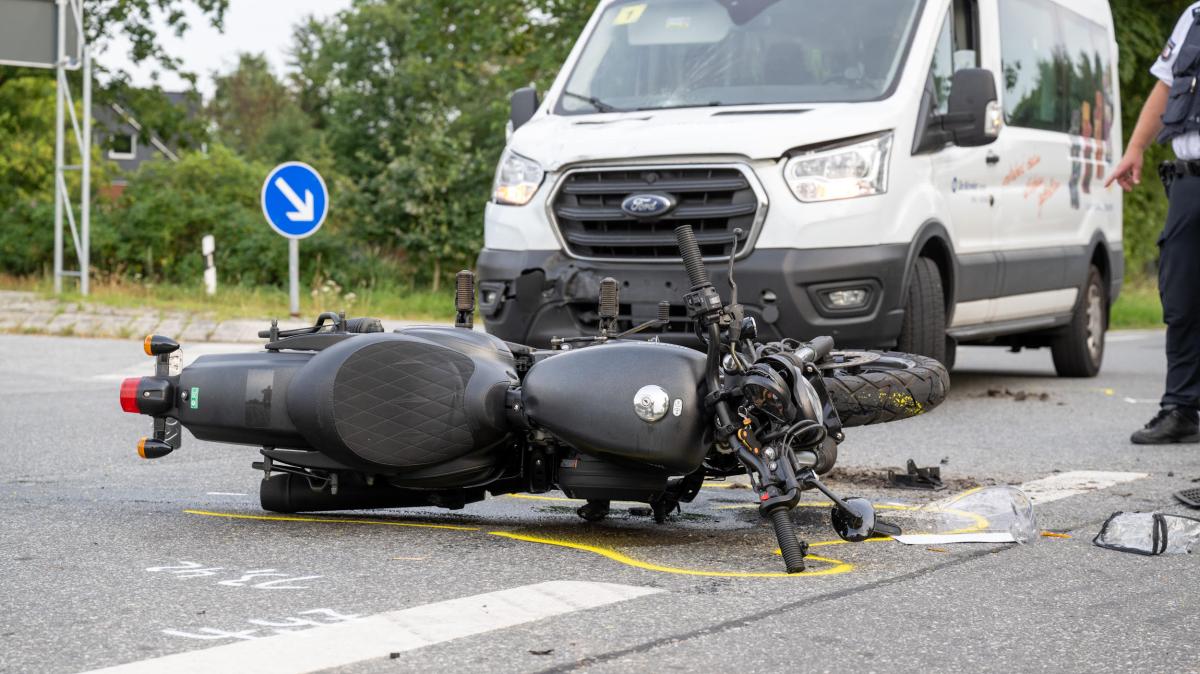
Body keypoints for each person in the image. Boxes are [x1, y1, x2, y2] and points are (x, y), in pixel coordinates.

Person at [1107, 3, 1200, 444]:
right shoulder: (1195, 16)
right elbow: (1167, 85)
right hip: (1189, 180)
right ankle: (1180, 408)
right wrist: (1135, 148)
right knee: (1180, 298)